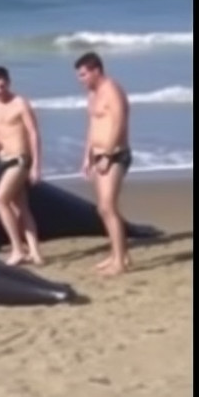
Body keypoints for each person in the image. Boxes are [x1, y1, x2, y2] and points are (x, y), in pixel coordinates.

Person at [0, 66, 44, 265]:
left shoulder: (20, 103)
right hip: (3, 160)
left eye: (2, 86)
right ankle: (35, 253)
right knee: (21, 206)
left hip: (20, 159)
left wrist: (37, 165)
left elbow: (33, 133)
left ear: (9, 83)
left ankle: (17, 249)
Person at [75, 51, 133, 277]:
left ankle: (119, 262)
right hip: (98, 155)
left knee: (107, 207)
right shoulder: (93, 94)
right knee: (105, 209)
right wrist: (86, 156)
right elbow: (93, 125)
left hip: (116, 154)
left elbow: (119, 123)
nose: (81, 79)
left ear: (96, 70)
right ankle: (120, 254)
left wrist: (108, 154)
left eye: (83, 74)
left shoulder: (112, 90)